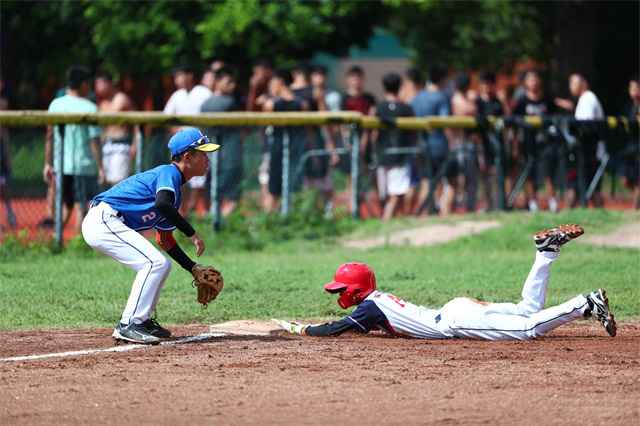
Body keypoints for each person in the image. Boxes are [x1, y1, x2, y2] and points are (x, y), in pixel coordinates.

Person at [275, 224, 617, 341]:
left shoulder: (369, 308)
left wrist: (302, 329)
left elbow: (335, 330)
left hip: (455, 320)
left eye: (341, 289)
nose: (339, 294)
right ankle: (545, 253)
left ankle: (584, 303)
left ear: (357, 289)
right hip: (455, 310)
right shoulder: (375, 302)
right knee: (528, 309)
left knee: (528, 328)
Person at [82, 127, 219, 344]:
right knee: (154, 263)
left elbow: (164, 240)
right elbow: (162, 204)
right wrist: (192, 233)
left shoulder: (174, 193)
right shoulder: (169, 173)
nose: (207, 159)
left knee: (160, 264)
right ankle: (129, 324)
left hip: (107, 223)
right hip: (103, 219)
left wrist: (192, 267)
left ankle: (142, 321)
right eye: (203, 154)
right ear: (187, 156)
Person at [44, 66, 103, 234]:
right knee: (81, 206)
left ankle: (57, 238)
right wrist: (100, 167)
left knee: (66, 204)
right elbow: (94, 141)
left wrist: (47, 163)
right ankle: (79, 242)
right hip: (83, 164)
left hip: (61, 164)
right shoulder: (90, 107)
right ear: (83, 84)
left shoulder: (55, 104)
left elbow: (49, 135)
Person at [163, 65, 213, 217]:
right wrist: (179, 133)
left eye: (180, 75)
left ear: (190, 75)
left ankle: (199, 210)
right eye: (176, 77)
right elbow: (166, 119)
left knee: (200, 179)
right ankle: (182, 210)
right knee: (179, 176)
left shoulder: (204, 93)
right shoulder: (177, 95)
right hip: (181, 144)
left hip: (200, 142)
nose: (177, 80)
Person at [257, 70, 307, 213]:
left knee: (272, 188)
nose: (271, 88)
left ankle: (270, 217)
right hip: (295, 147)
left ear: (281, 83)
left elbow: (264, 128)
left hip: (276, 148)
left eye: (273, 84)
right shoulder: (301, 103)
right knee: (288, 186)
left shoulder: (271, 104)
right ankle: (283, 216)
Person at [512, 70, 558, 212]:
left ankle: (552, 201)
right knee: (529, 172)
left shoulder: (547, 99)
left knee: (548, 172)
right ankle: (532, 202)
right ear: (525, 83)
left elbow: (554, 116)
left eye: (535, 79)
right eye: (530, 80)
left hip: (545, 142)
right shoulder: (521, 102)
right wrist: (515, 144)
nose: (533, 82)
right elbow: (513, 122)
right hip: (528, 142)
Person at [372, 72, 416, 221]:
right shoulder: (406, 109)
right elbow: (413, 134)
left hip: (382, 155)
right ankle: (385, 222)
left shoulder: (378, 108)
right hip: (400, 157)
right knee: (396, 194)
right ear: (400, 87)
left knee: (391, 194)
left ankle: (396, 221)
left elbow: (373, 135)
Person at [201, 67, 243, 216]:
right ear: (217, 82)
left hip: (211, 152)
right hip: (228, 153)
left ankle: (214, 219)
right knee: (231, 194)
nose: (233, 85)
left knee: (214, 189)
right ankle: (221, 222)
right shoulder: (228, 102)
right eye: (228, 82)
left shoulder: (206, 103)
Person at [410, 64, 452, 215]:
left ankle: (423, 214)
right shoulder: (441, 97)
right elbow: (445, 122)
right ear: (442, 79)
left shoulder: (417, 98)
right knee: (441, 181)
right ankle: (440, 215)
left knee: (426, 182)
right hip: (438, 144)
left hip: (420, 145)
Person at [341, 65, 378, 217]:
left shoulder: (369, 99)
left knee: (371, 176)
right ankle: (351, 210)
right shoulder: (344, 99)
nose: (356, 81)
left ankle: (378, 209)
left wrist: (366, 141)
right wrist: (347, 141)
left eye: (359, 78)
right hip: (350, 142)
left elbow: (371, 123)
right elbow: (342, 125)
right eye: (353, 78)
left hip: (367, 143)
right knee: (351, 178)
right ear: (348, 80)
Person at [567, 73, 605, 208]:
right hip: (586, 151)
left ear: (583, 83)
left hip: (590, 151)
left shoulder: (588, 98)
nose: (570, 87)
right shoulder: (584, 99)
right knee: (584, 186)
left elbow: (586, 127)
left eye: (573, 83)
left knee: (591, 188)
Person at [94, 70, 138, 187]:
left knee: (119, 183)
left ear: (109, 83)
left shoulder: (122, 99)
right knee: (105, 183)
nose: (97, 87)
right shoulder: (101, 103)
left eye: (100, 84)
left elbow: (137, 123)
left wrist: (135, 144)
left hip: (121, 146)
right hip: (105, 147)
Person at [476, 71, 505, 211]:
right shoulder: (477, 102)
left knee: (496, 174)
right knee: (483, 175)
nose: (486, 86)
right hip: (481, 143)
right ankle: (486, 203)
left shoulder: (497, 102)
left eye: (489, 83)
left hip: (496, 143)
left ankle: (497, 203)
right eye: (484, 83)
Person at [0, 76, 16, 232]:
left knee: (4, 186)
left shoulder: (3, 103)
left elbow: (4, 133)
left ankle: (10, 212)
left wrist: (7, 153)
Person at [622, 76, 640, 209]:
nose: (631, 90)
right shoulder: (629, 106)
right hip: (630, 146)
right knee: (626, 180)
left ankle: (635, 207)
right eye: (630, 87)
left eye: (634, 87)